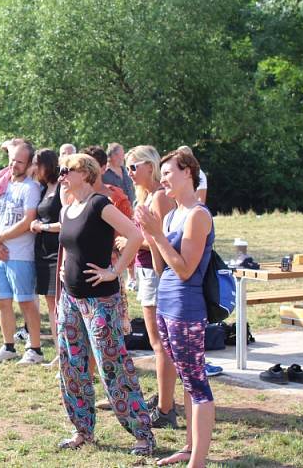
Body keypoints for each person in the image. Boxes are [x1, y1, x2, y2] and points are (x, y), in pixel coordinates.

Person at [55, 154, 154, 455]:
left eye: (66, 171)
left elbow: (135, 235)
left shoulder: (100, 204)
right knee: (71, 366)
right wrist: (61, 282)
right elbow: (68, 248)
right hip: (71, 298)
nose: (61, 176)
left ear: (84, 174)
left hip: (101, 300)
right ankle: (82, 429)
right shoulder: (67, 207)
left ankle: (141, 434)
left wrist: (115, 270)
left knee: (112, 365)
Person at [136, 149, 215, 468]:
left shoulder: (199, 214)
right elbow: (161, 267)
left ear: (188, 173)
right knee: (186, 377)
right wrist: (152, 237)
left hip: (187, 307)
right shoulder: (171, 215)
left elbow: (184, 270)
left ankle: (198, 460)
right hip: (165, 304)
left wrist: (157, 236)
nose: (162, 178)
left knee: (197, 384)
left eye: (167, 172)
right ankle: (188, 446)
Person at [118, 146, 178, 428]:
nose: (129, 173)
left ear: (149, 166)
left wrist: (130, 242)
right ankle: (166, 398)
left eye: (133, 167)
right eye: (127, 168)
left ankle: (166, 408)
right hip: (146, 271)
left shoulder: (160, 197)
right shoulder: (148, 196)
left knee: (160, 344)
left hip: (156, 272)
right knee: (158, 342)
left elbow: (161, 241)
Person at [0, 141, 44, 365]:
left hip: (21, 254)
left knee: (26, 303)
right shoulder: (2, 184)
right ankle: (8, 345)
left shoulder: (30, 188)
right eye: (12, 160)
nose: (14, 165)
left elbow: (28, 220)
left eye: (20, 161)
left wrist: (1, 238)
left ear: (29, 163)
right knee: (2, 301)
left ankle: (35, 348)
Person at [28, 149, 62, 365]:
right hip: (42, 251)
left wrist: (43, 226)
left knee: (59, 304)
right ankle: (60, 352)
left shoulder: (62, 187)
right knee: (51, 304)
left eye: (35, 164)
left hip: (57, 251)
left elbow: (68, 221)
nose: (33, 168)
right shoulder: (42, 188)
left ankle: (66, 352)